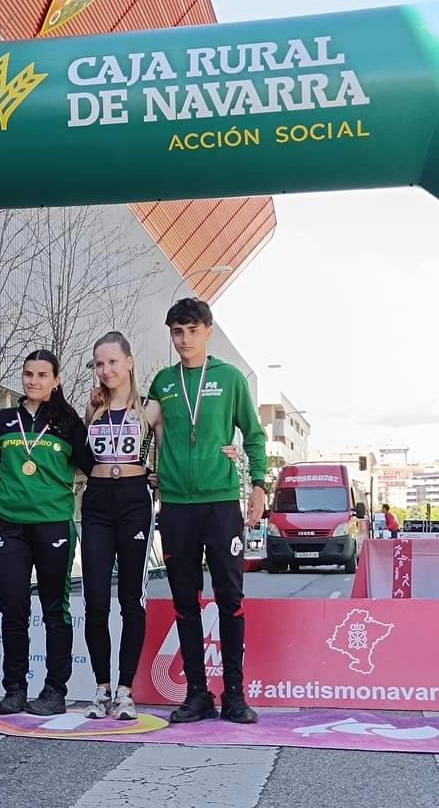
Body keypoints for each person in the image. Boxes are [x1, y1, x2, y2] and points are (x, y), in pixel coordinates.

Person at [147, 298, 267, 725]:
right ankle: (197, 693)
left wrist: (258, 485)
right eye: (177, 332)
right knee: (185, 601)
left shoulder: (230, 379)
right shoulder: (162, 382)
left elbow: (253, 435)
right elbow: (143, 429)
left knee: (230, 599)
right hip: (177, 506)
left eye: (192, 331)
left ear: (208, 331)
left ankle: (234, 693)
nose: (184, 340)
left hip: (220, 503)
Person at [0, 349, 90, 716]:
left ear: (56, 380)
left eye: (42, 375)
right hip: (10, 525)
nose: (34, 381)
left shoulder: (68, 422)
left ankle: (54, 690)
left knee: (54, 608)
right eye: (29, 374)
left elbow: (92, 465)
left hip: (53, 524)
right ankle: (15, 688)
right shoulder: (2, 421)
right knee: (13, 607)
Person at [80, 332, 156, 721]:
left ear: (129, 361)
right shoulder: (91, 408)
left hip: (133, 500)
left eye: (113, 361)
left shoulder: (151, 408)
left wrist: (230, 450)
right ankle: (101, 688)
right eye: (99, 363)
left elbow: (176, 449)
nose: (106, 370)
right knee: (94, 598)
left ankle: (126, 689)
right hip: (96, 501)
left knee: (131, 598)